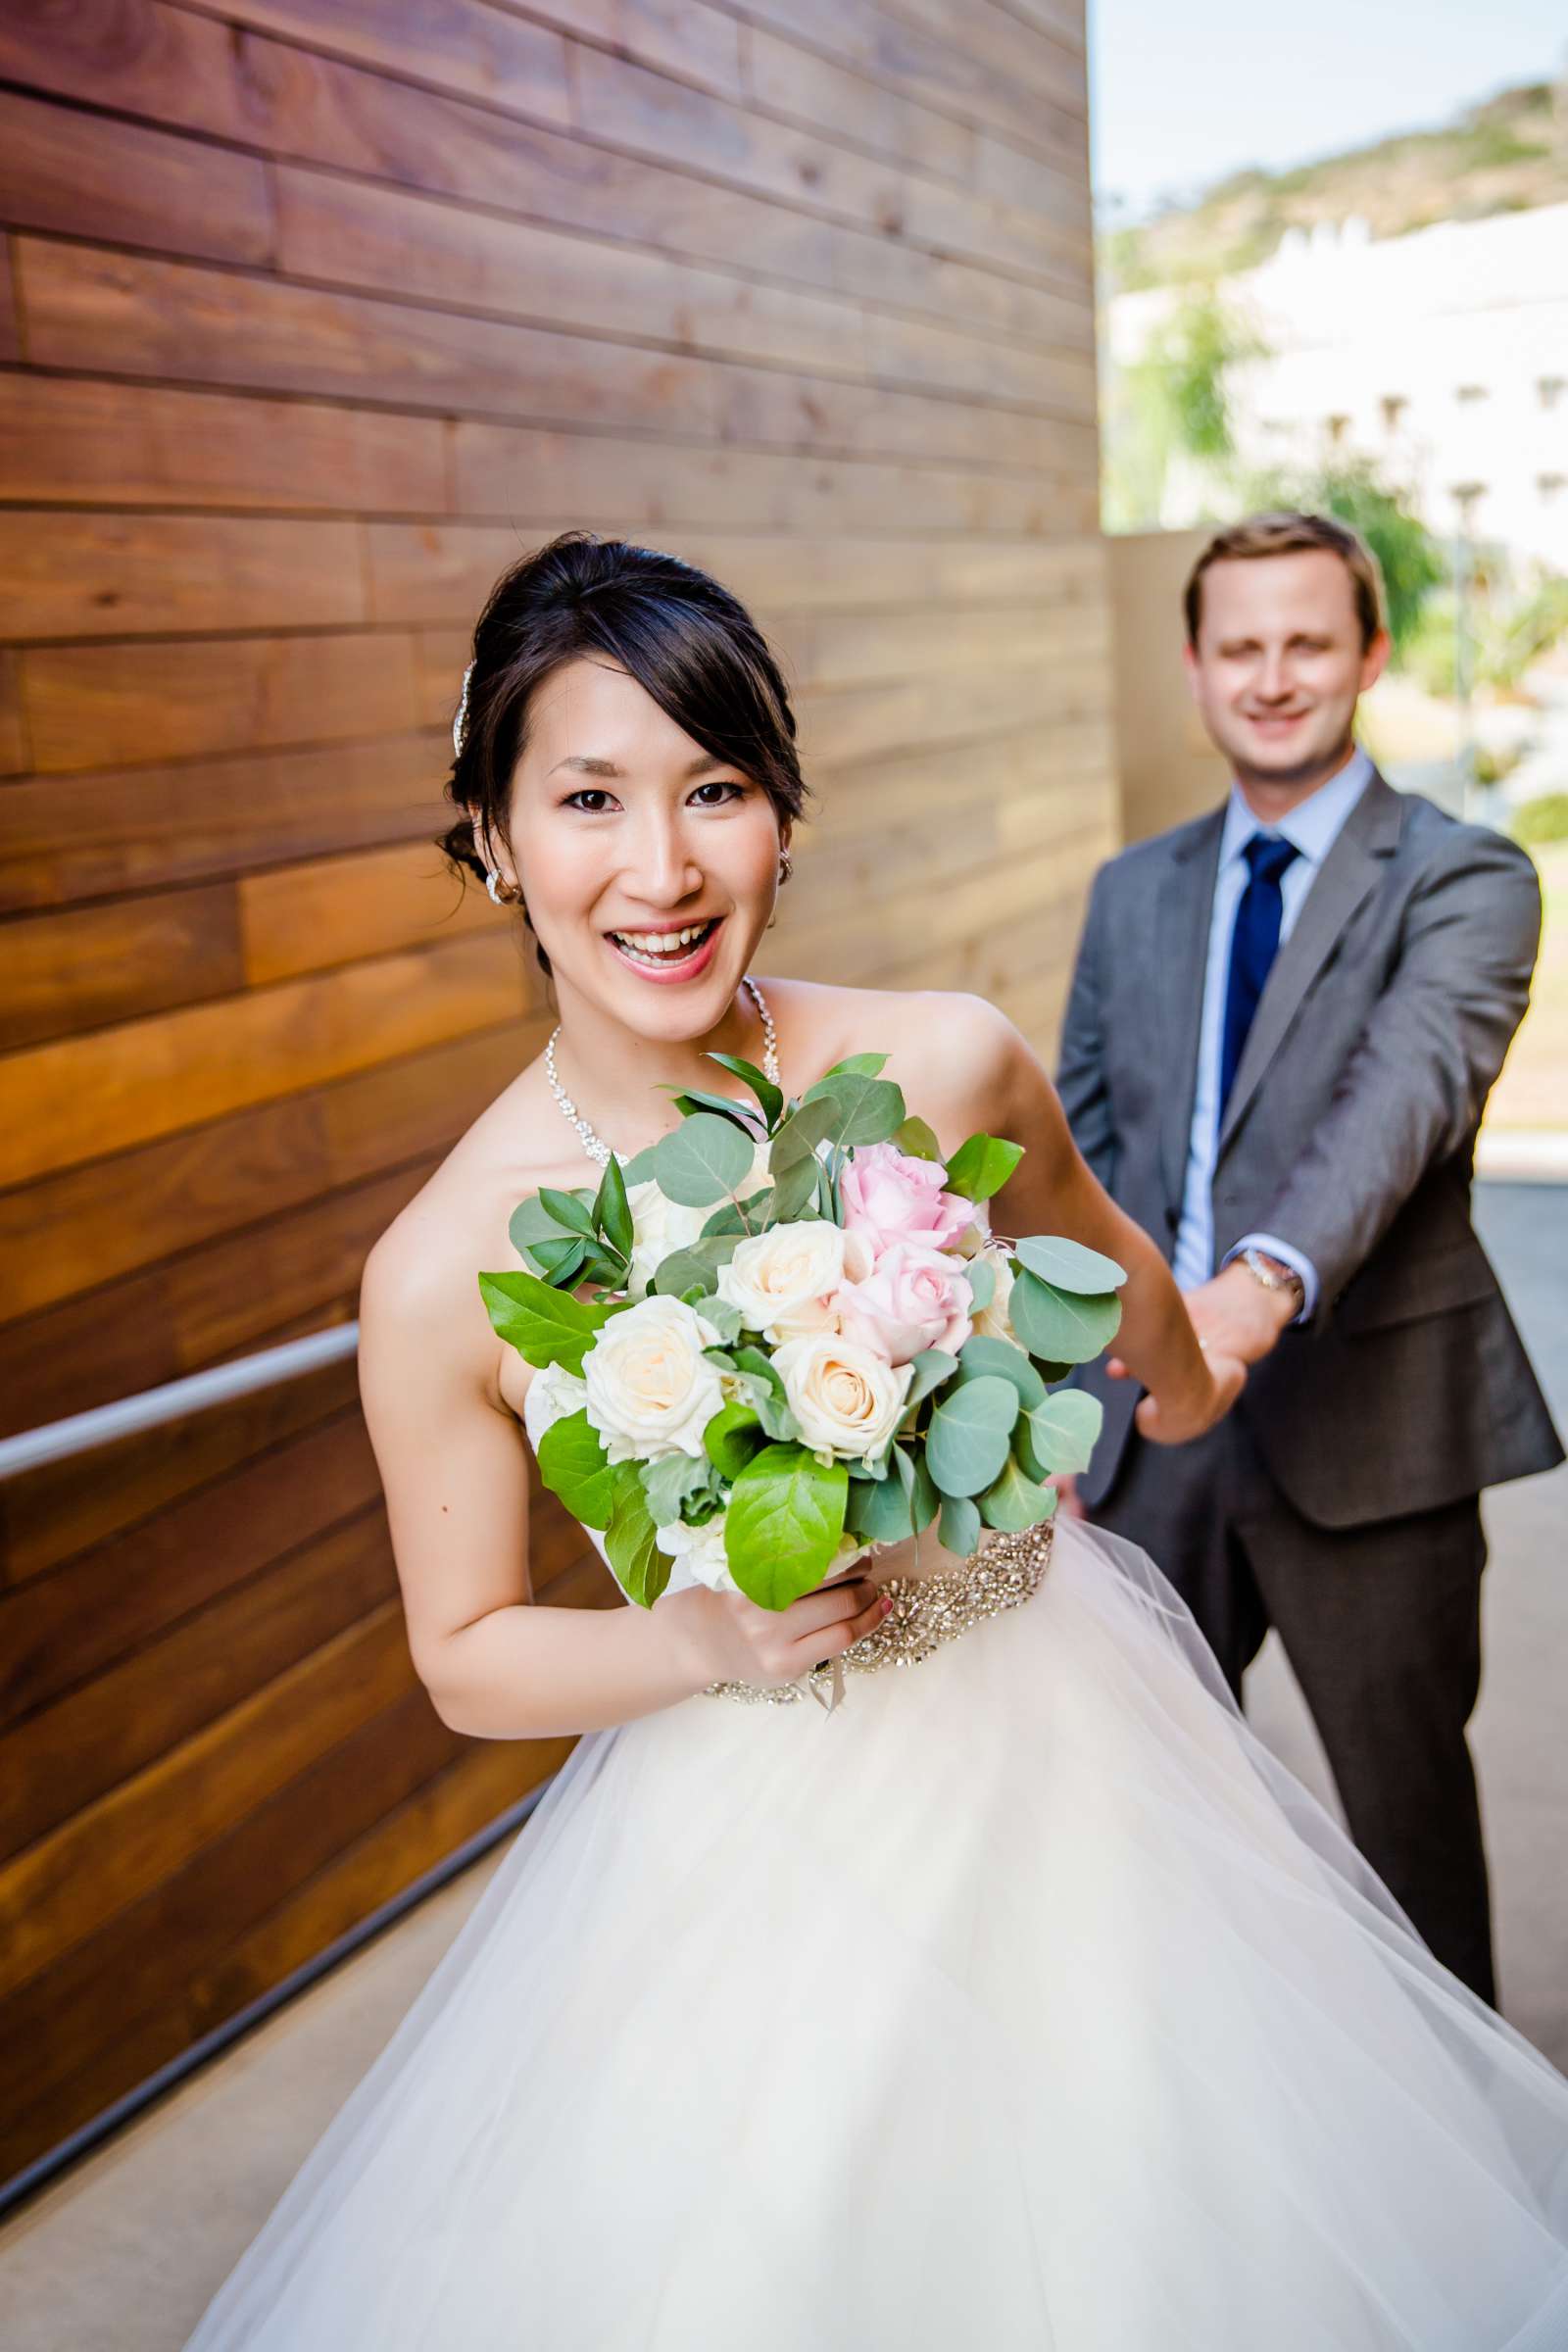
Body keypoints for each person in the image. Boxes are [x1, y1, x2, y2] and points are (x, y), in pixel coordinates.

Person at [184, 533, 1568, 2350]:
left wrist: (1189, 1371)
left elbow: (1103, 1250)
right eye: (589, 799)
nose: (663, 869)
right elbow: (462, 1655)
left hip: (1069, 1743)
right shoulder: (444, 1270)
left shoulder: (944, 1059)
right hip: (752, 1822)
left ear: (782, 815)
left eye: (718, 792)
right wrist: (689, 1638)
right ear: (496, 839)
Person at [1055, 510, 1563, 2006]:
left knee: (1409, 1849)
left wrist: (1252, 1293)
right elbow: (1074, 1169)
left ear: (1370, 654)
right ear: (1199, 665)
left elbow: (1397, 1104)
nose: (1274, 677)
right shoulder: (1130, 891)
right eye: (1242, 646)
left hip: (1374, 1439)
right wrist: (1053, 1396)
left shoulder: (1465, 880)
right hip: (1149, 1433)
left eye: (1309, 642)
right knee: (1130, 1820)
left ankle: (1459, 2180)